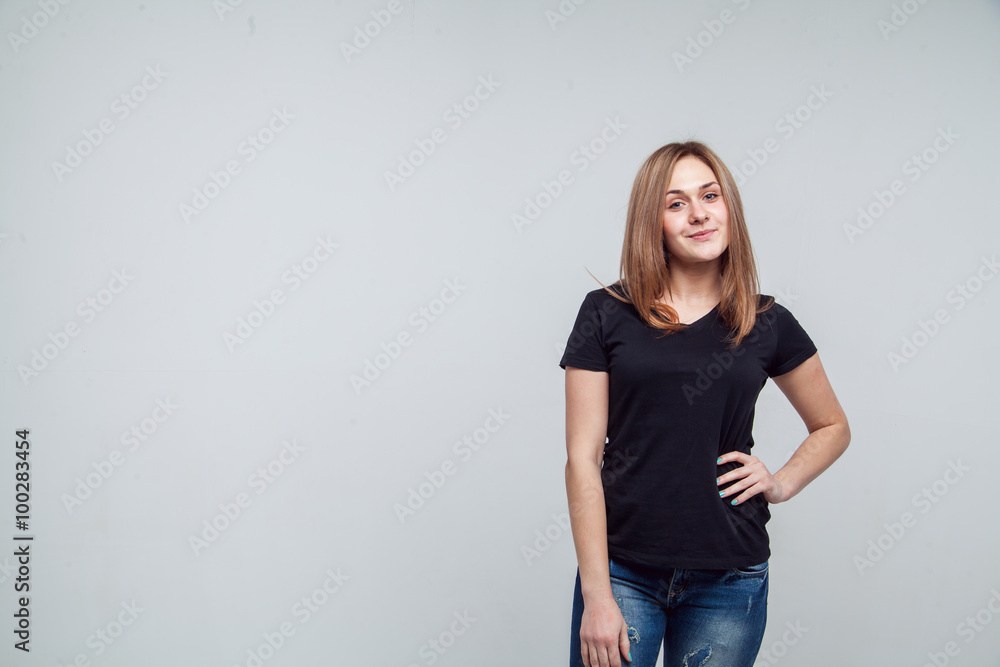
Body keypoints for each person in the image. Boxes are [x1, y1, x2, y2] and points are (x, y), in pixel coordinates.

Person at [559, 140, 850, 667]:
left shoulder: (767, 322)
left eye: (710, 196)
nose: (698, 213)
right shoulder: (605, 313)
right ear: (652, 223)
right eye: (676, 203)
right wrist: (598, 595)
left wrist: (780, 482)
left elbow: (832, 426)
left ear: (728, 206)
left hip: (729, 577)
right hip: (622, 570)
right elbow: (582, 459)